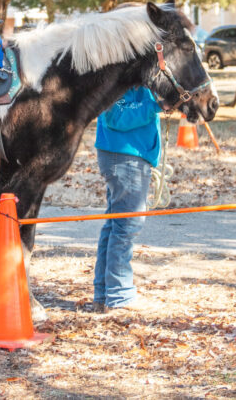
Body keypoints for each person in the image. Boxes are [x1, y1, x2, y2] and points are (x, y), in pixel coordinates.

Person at [93, 86, 163, 312]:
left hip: (127, 155)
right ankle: (118, 294)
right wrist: (156, 106)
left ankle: (105, 293)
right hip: (124, 156)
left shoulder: (139, 80)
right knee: (126, 225)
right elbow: (116, 116)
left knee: (116, 223)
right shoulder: (119, 77)